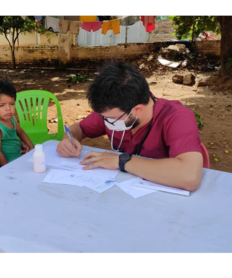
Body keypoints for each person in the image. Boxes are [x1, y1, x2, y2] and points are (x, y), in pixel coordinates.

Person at [56, 60, 203, 191]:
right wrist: (69, 139)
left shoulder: (177, 118)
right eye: (103, 117)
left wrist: (122, 161)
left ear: (137, 110)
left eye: (111, 119)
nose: (106, 121)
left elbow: (189, 176)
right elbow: (78, 128)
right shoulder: (112, 112)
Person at [0, 79, 34, 166]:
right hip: (10, 162)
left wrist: (31, 148)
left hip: (20, 154)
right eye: (2, 105)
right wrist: (7, 169)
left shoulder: (11, 117)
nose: (8, 109)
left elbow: (21, 132)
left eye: (11, 103)